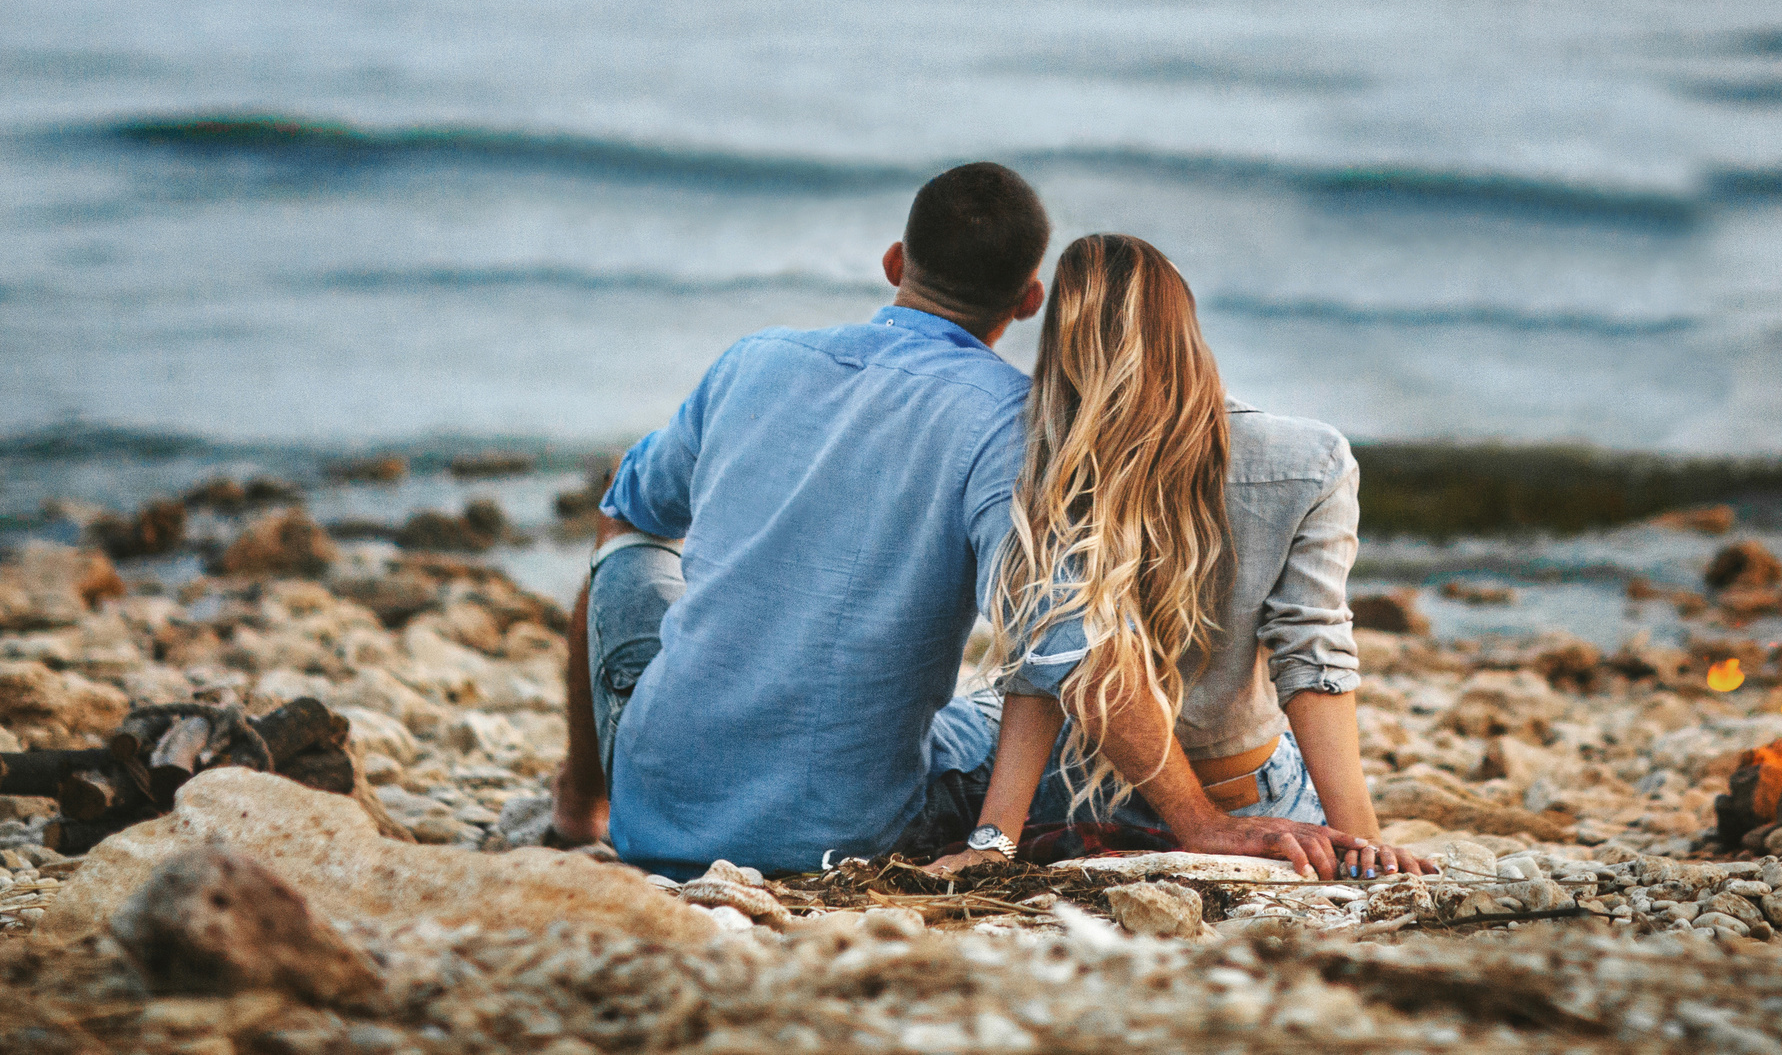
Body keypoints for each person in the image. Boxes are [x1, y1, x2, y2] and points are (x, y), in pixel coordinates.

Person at [551, 166, 1373, 879]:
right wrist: (1199, 821)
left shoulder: (752, 359)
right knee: (980, 708)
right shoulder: (1008, 424)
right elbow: (1068, 643)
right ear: (1028, 300)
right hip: (842, 832)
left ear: (895, 262)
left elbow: (632, 503)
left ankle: (582, 798)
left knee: (626, 548)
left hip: (652, 811)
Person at [929, 233, 1431, 880]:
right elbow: (1313, 656)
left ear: (1060, 342)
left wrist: (995, 838)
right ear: (1185, 328)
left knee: (935, 734)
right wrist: (1364, 842)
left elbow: (1043, 667)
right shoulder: (1311, 460)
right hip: (1245, 793)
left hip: (1071, 789)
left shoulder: (1042, 458)